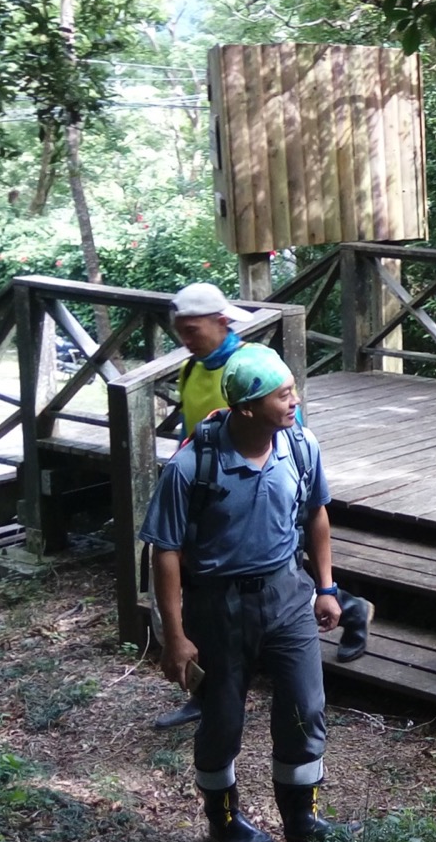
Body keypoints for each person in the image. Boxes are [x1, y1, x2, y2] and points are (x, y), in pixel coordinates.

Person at [142, 343, 356, 842]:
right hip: (218, 606)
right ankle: (224, 823)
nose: (294, 400)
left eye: (292, 390)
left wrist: (326, 588)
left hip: (287, 594)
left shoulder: (300, 447)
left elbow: (316, 515)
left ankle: (303, 819)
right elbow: (165, 552)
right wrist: (175, 636)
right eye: (283, 394)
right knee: (222, 717)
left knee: (306, 706)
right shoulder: (190, 467)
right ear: (246, 408)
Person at [150, 284, 373, 733]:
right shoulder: (193, 370)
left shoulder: (254, 368)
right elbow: (190, 435)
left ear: (222, 322)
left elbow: (291, 440)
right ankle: (208, 696)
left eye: (192, 330)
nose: (186, 340)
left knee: (280, 578)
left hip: (266, 497)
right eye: (181, 332)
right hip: (216, 500)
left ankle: (346, 605)